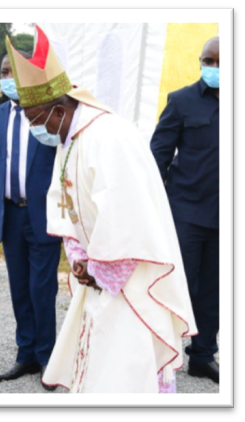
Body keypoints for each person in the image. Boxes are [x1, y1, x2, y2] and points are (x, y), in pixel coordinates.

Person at [7, 27, 197, 393]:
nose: (35, 128)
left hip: (128, 279)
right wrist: (78, 254)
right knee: (99, 365)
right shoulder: (71, 134)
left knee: (125, 371)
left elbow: (128, 217)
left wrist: (100, 268)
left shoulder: (108, 137)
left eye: (35, 120)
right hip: (97, 272)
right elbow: (67, 202)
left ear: (59, 109)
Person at [0, 50, 61, 391]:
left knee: (42, 288)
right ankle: (25, 352)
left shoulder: (50, 115)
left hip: (42, 215)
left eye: (14, 72)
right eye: (4, 71)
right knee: (19, 287)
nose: (8, 78)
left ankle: (48, 356)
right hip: (11, 214)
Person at [151, 37, 220, 384]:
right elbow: (157, 157)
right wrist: (158, 207)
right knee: (180, 287)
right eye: (208, 61)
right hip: (187, 214)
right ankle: (163, 355)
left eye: (220, 62)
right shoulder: (181, 102)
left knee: (214, 290)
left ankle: (203, 355)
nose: (213, 68)